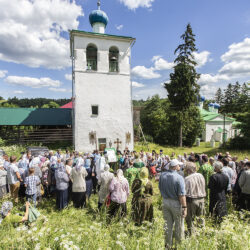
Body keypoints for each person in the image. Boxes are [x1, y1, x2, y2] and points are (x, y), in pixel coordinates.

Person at [159, 159, 186, 249]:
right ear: (175, 167)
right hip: (176, 203)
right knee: (179, 225)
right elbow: (181, 195)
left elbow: (160, 188)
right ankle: (178, 245)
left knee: (167, 225)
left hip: (165, 201)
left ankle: (167, 245)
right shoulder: (179, 178)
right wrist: (184, 207)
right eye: (179, 165)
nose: (180, 167)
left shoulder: (162, 176)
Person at [185, 162, 206, 235]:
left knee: (190, 219)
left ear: (188, 170)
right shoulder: (201, 176)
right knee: (201, 218)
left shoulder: (187, 179)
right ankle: (201, 233)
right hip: (202, 199)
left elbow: (185, 191)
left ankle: (192, 234)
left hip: (192, 200)